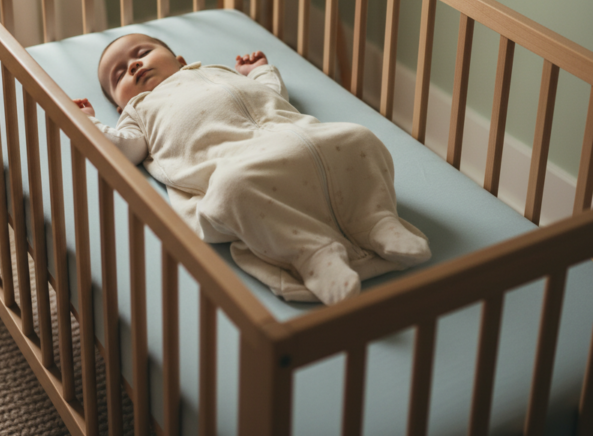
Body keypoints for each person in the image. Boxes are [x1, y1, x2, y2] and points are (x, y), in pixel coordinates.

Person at [74, 33, 430, 305]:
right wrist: (88, 122)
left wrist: (258, 71)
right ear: (119, 105)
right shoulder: (137, 111)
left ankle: (375, 222)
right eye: (119, 74)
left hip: (293, 137)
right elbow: (124, 149)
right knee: (232, 190)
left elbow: (273, 95)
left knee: (358, 138)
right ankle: (313, 254)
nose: (133, 66)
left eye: (141, 53)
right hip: (235, 164)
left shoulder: (217, 71)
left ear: (179, 60)